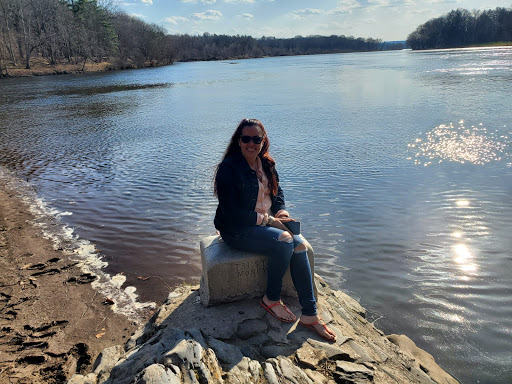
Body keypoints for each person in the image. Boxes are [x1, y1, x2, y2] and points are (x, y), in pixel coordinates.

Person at [214, 118, 336, 342]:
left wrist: (281, 213)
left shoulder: (267, 165)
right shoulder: (229, 169)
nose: (251, 144)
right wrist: (269, 221)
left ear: (263, 141)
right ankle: (271, 299)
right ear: (238, 141)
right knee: (284, 240)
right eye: (246, 139)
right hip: (237, 229)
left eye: (256, 139)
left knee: (298, 245)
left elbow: (277, 196)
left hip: (270, 224)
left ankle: (310, 314)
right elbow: (231, 213)